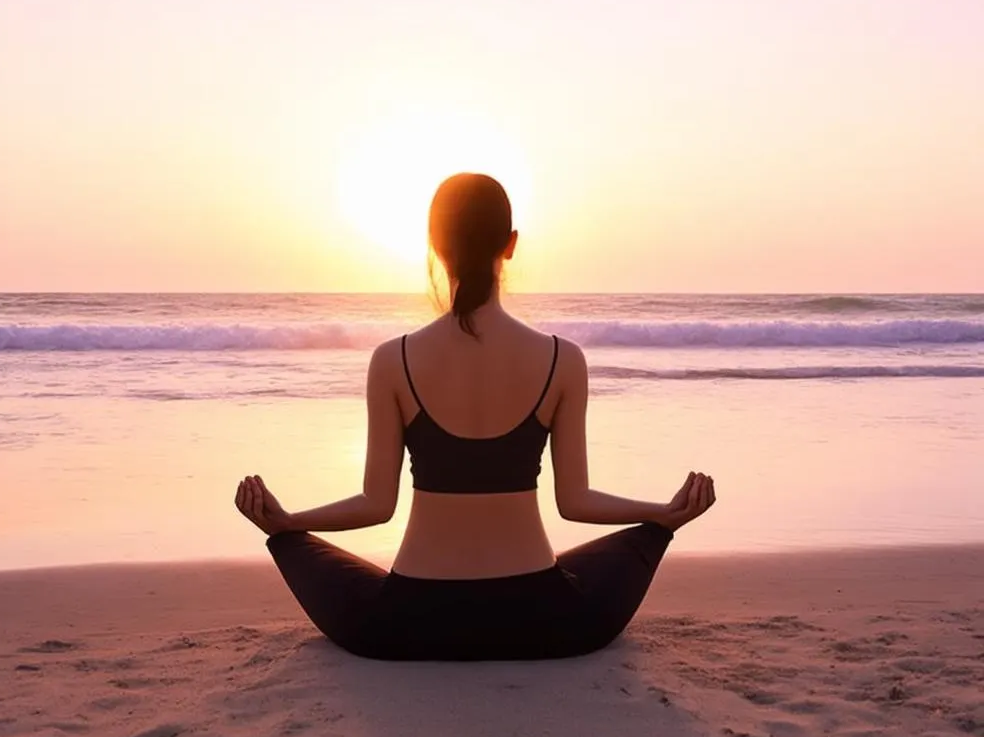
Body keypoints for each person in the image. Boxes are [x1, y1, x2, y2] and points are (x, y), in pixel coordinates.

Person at [235, 173, 716, 660]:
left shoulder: (393, 360)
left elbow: (376, 504)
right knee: (644, 538)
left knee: (293, 544)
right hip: (547, 620)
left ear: (434, 245)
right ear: (510, 246)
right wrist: (662, 514)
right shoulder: (562, 359)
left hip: (410, 623)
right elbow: (575, 501)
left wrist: (290, 521)